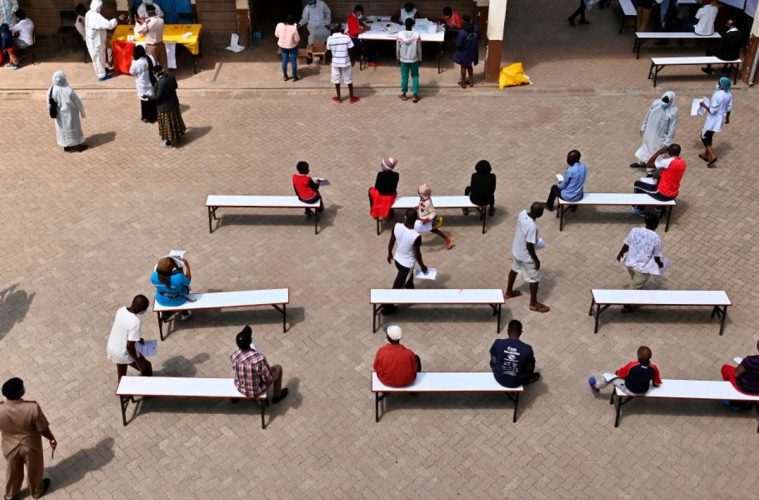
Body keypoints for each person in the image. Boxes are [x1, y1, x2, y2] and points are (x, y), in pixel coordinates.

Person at [0, 377, 56, 500]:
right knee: (34, 469)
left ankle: (11, 495)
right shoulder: (32, 408)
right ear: (20, 393)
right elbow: (43, 429)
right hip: (31, 446)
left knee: (13, 471)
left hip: (10, 447)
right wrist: (52, 439)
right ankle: (36, 492)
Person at [505, 202, 548, 313]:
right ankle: (533, 304)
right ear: (539, 213)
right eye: (542, 211)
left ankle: (509, 292)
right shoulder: (532, 227)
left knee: (514, 269)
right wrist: (536, 260)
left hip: (517, 249)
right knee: (535, 278)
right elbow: (529, 246)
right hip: (525, 255)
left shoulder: (522, 213)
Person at [385, 208, 428, 313]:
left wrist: (389, 253)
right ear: (416, 220)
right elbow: (417, 254)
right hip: (406, 266)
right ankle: (387, 308)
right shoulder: (416, 236)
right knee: (397, 287)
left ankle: (411, 295)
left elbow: (391, 241)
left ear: (405, 217)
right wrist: (422, 266)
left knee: (408, 280)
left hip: (397, 259)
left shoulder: (397, 226)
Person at [230, 326, 289, 403]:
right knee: (278, 368)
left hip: (240, 387)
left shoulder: (234, 356)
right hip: (256, 391)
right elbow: (268, 379)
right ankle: (277, 396)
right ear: (250, 341)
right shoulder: (259, 358)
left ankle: (235, 398)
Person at [617, 214, 664, 308]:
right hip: (642, 269)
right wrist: (660, 264)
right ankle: (627, 305)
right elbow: (656, 256)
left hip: (630, 264)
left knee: (635, 279)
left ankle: (638, 289)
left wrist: (620, 253)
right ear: (655, 224)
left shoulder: (635, 230)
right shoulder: (656, 238)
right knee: (635, 286)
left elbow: (627, 244)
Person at [106, 295, 153, 383]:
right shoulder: (136, 322)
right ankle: (148, 389)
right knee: (146, 367)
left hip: (112, 347)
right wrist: (138, 361)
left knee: (122, 373)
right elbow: (129, 346)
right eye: (144, 309)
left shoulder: (121, 310)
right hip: (123, 352)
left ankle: (122, 389)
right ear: (140, 309)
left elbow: (124, 328)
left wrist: (137, 339)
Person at [632, 143, 686, 215]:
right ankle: (659, 207)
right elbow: (672, 173)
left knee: (637, 184)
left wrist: (659, 152)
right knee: (655, 179)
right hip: (674, 193)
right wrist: (660, 176)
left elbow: (649, 164)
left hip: (662, 194)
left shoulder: (667, 161)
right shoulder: (683, 162)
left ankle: (639, 209)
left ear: (670, 151)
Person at [630, 91, 678, 169]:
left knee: (654, 152)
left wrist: (668, 142)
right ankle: (641, 163)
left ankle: (650, 171)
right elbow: (648, 115)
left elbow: (672, 127)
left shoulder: (673, 111)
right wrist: (643, 126)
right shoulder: (656, 103)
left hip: (660, 136)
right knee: (645, 147)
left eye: (667, 101)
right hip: (649, 132)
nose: (664, 103)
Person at [588, 346, 662, 396]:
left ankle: (596, 387)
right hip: (644, 391)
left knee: (607, 376)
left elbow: (620, 374)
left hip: (630, 390)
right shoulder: (654, 368)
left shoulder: (632, 365)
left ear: (639, 356)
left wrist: (616, 373)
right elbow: (657, 383)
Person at [490, 320, 540, 388]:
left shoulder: (498, 343)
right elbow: (529, 368)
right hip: (517, 381)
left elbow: (493, 362)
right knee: (532, 360)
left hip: (499, 378)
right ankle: (527, 380)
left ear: (508, 331)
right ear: (521, 332)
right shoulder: (527, 349)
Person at [49, 71, 88, 153]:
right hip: (70, 114)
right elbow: (77, 102)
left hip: (59, 115)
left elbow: (49, 103)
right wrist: (82, 112)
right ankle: (78, 145)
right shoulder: (68, 90)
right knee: (74, 129)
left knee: (62, 130)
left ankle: (66, 145)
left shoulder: (52, 89)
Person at [698, 76, 732, 168]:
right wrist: (727, 118)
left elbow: (712, 111)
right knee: (710, 135)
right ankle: (706, 155)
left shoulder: (716, 95)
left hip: (713, 120)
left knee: (703, 136)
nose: (717, 84)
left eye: (719, 83)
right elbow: (729, 108)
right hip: (721, 119)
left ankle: (712, 156)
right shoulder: (729, 93)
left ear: (721, 86)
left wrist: (703, 105)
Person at [149, 64, 186, 148]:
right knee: (175, 122)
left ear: (156, 74)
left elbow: (157, 97)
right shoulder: (171, 76)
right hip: (174, 104)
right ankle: (178, 135)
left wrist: (148, 96)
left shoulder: (159, 83)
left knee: (168, 125)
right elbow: (175, 86)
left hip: (165, 108)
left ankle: (169, 143)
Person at [720, 340, 759, 410]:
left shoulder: (750, 360)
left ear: (758, 346)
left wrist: (742, 365)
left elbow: (736, 374)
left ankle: (736, 402)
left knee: (725, 368)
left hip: (745, 387)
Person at [84, 0, 117, 81]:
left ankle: (103, 70)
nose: (101, 8)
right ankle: (101, 75)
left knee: (99, 57)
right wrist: (115, 20)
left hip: (92, 40)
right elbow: (109, 25)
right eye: (100, 6)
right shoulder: (96, 16)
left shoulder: (89, 13)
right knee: (98, 58)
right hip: (95, 41)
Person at [326, 23, 358, 103]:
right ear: (341, 28)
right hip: (345, 61)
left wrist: (330, 60)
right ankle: (351, 98)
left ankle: (339, 98)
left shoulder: (330, 39)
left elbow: (328, 51)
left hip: (335, 62)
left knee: (336, 78)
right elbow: (351, 49)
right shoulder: (346, 37)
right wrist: (352, 60)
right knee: (348, 78)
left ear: (333, 29)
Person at [415, 184, 453, 249]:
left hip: (425, 220)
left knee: (416, 229)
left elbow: (433, 212)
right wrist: (418, 206)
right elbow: (422, 204)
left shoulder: (428, 203)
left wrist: (427, 219)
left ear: (422, 194)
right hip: (422, 218)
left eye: (419, 193)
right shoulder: (423, 198)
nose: (418, 194)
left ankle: (447, 239)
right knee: (433, 230)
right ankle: (447, 238)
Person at [135, 4, 167, 73]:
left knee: (152, 63)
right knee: (163, 62)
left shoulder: (148, 22)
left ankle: (154, 77)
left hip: (151, 46)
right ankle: (165, 75)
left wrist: (141, 23)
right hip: (161, 44)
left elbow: (139, 31)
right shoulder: (161, 20)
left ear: (147, 12)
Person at [129, 45, 157, 123]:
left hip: (142, 84)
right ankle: (154, 116)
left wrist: (132, 61)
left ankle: (146, 117)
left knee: (144, 101)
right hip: (151, 82)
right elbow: (155, 66)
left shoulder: (136, 63)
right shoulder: (150, 58)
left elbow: (131, 72)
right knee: (152, 99)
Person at [396, 18, 422, 103]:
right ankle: (415, 95)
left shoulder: (400, 34)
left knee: (404, 76)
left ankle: (403, 94)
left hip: (403, 59)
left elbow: (398, 48)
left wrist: (398, 57)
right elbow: (419, 49)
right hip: (414, 59)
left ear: (405, 24)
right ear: (413, 25)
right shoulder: (417, 35)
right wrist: (420, 58)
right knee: (415, 76)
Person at [452, 15, 479, 88]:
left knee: (463, 66)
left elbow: (458, 44)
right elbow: (479, 37)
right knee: (469, 66)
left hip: (464, 52)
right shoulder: (476, 28)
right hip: (473, 51)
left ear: (463, 21)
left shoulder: (462, 32)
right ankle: (471, 81)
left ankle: (463, 83)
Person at [275, 14, 300, 82]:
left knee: (284, 61)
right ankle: (294, 77)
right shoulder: (294, 28)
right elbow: (297, 39)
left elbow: (276, 35)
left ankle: (285, 76)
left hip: (283, 46)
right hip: (292, 46)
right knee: (293, 61)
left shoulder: (279, 25)